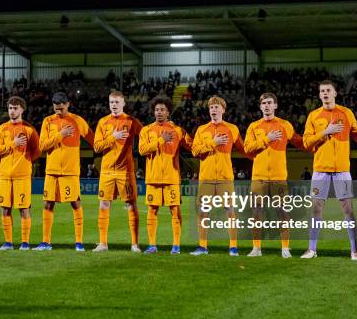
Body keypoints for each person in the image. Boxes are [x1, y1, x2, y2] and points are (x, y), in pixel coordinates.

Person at [301, 80, 357, 260]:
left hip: (342, 170)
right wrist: (325, 132)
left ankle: (355, 250)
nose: (325, 93)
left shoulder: (346, 113)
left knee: (348, 209)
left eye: (328, 90)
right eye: (322, 91)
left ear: (335, 93)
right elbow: (306, 142)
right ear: (319, 95)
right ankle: (312, 249)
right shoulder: (314, 115)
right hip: (320, 169)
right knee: (316, 208)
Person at [244, 92, 304, 258]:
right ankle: (256, 249)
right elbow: (247, 148)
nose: (267, 106)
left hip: (278, 177)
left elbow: (299, 142)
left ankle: (285, 248)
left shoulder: (285, 125)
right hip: (259, 177)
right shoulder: (253, 126)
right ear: (260, 106)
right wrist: (266, 139)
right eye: (264, 103)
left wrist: (317, 142)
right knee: (257, 213)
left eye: (270, 103)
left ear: (275, 105)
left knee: (283, 213)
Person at [34, 92, 94, 251]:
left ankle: (79, 242)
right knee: (48, 204)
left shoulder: (77, 120)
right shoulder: (48, 121)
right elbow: (42, 146)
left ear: (68, 104)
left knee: (75, 203)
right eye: (56, 108)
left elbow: (94, 140)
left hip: (70, 170)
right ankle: (46, 242)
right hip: (52, 171)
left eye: (61, 108)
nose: (58, 110)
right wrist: (60, 135)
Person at [190, 95, 249, 256]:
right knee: (203, 212)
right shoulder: (202, 130)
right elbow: (194, 151)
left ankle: (233, 247)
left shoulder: (232, 129)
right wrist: (212, 143)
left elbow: (243, 149)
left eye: (217, 107)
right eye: (211, 107)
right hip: (206, 178)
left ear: (223, 110)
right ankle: (202, 246)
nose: (214, 110)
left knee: (230, 211)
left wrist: (257, 157)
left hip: (225, 178)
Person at [139, 96, 192, 254]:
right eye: (157, 110)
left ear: (168, 112)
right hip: (153, 178)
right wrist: (161, 140)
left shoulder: (178, 130)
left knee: (175, 210)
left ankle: (176, 245)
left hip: (171, 177)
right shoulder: (146, 130)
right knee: (152, 210)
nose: (159, 112)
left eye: (162, 110)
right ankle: (152, 245)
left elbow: (192, 146)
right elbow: (142, 150)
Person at [92, 91, 143, 252]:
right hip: (106, 171)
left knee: (130, 204)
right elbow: (97, 147)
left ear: (123, 103)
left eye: (116, 102)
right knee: (104, 203)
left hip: (125, 171)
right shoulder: (103, 122)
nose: (113, 105)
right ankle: (103, 243)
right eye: (111, 102)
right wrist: (113, 137)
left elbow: (146, 134)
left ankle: (135, 244)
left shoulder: (131, 121)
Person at [0, 96, 40, 250]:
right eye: (10, 108)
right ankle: (8, 243)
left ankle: (25, 243)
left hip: (22, 176)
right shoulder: (2, 129)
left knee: (23, 209)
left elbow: (37, 151)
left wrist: (26, 162)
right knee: (5, 208)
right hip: (5, 175)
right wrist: (13, 144)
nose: (12, 111)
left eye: (15, 108)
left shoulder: (29, 129)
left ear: (22, 110)